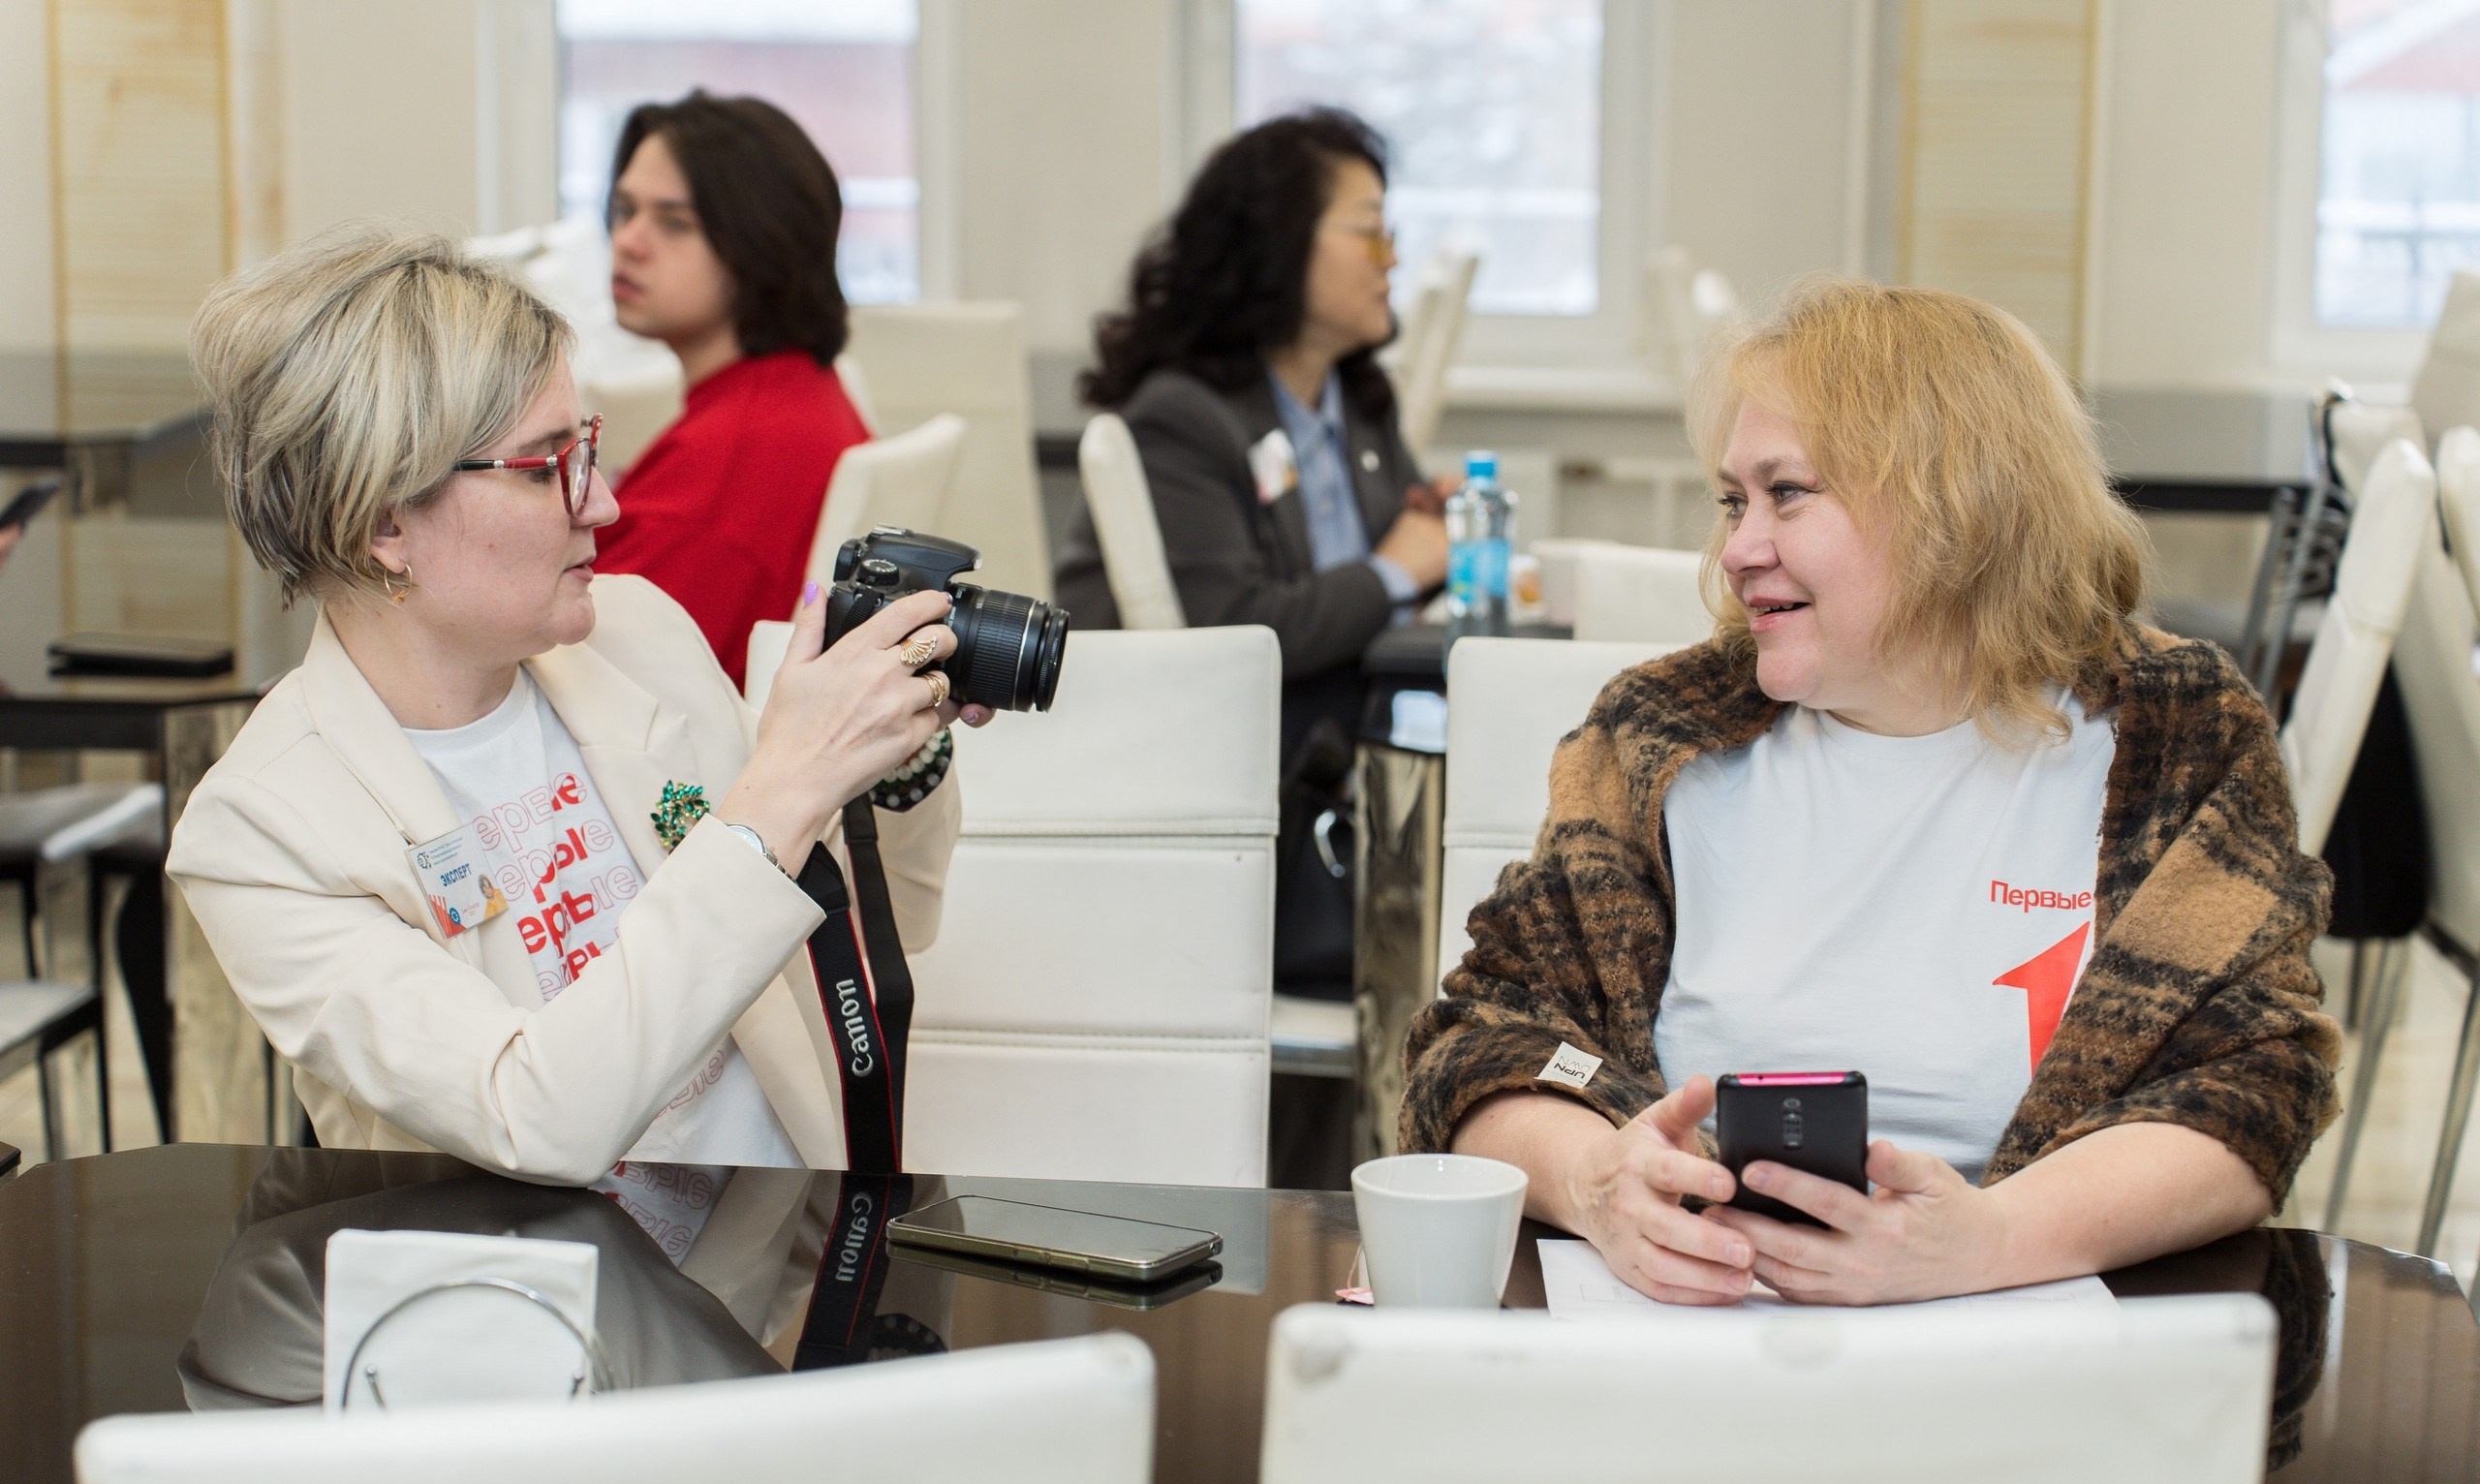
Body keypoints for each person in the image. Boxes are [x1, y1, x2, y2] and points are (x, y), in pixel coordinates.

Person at [1403, 277, 2339, 1306]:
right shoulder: (1660, 736)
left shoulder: (2174, 734)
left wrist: (1991, 1242)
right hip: (1689, 1354)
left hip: (2028, 1357)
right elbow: (1488, 1040)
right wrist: (1594, 1182)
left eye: (1786, 494)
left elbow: (2252, 1082)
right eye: (1732, 501)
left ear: (1955, 505)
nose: (1736, 549)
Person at [169, 225, 983, 1200]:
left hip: (784, 1273)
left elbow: (899, 922)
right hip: (530, 1318)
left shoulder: (636, 637)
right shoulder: (264, 832)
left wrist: (891, 761)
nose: (603, 503)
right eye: (545, 464)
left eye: (587, 448)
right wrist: (783, 787)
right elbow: (535, 1115)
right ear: (386, 521)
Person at [1054, 107, 1450, 748]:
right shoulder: (1182, 419)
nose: (1393, 259)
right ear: (1282, 241)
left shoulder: (1352, 398)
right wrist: (1396, 569)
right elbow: (1239, 632)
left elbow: (1393, 553)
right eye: (1371, 232)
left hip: (1328, 734)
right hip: (1199, 752)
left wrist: (1432, 530)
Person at [590, 92, 873, 687]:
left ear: (760, 244)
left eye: (674, 222)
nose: (628, 241)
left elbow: (599, 676)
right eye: (624, 209)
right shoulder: (802, 388)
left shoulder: (733, 454)